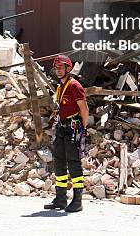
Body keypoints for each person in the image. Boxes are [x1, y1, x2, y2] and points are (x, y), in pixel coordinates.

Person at [44, 54, 89, 212]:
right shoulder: (60, 86)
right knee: (59, 161)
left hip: (73, 126)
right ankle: (60, 198)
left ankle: (77, 201)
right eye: (56, 68)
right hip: (62, 127)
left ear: (68, 69)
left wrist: (82, 130)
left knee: (73, 162)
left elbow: (84, 109)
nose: (58, 70)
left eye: (61, 67)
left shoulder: (74, 86)